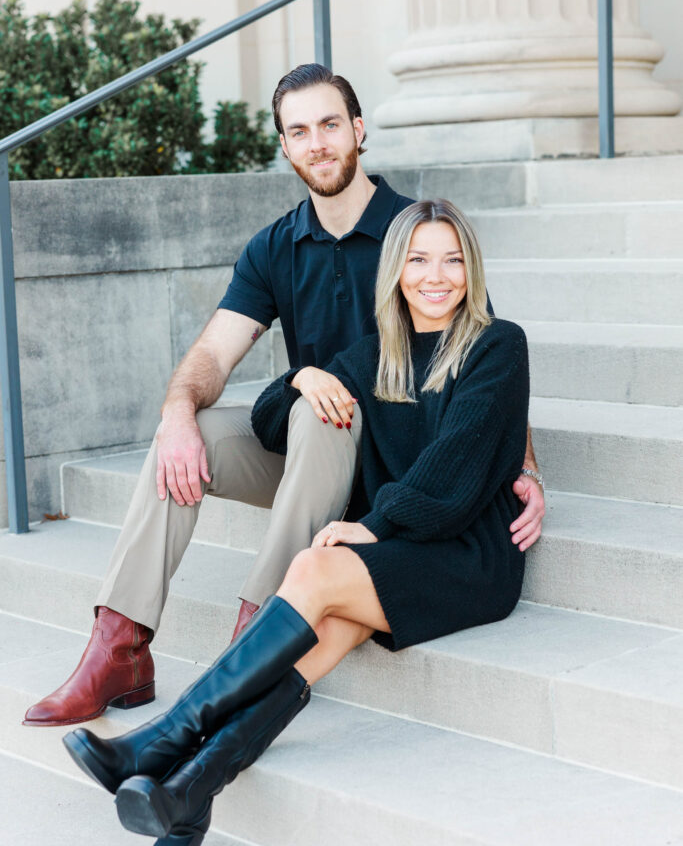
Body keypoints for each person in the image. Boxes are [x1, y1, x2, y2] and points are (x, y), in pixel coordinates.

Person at [24, 65, 544, 729]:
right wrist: (178, 416)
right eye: (298, 131)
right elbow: (211, 356)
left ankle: (257, 634)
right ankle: (118, 647)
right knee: (192, 432)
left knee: (324, 413)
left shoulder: (416, 237)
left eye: (330, 124)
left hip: (396, 471)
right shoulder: (276, 245)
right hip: (309, 458)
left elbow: (482, 364)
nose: (317, 142)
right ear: (284, 146)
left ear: (358, 130)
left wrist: (522, 467)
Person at [63, 198, 530, 846]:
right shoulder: (375, 358)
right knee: (330, 626)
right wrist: (303, 376)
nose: (436, 275)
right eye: (419, 258)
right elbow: (267, 422)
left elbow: (458, 462)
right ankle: (193, 790)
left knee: (312, 568)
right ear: (396, 270)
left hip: (469, 550)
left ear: (470, 270)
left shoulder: (496, 343)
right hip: (408, 544)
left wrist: (376, 525)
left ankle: (161, 741)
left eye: (452, 260)